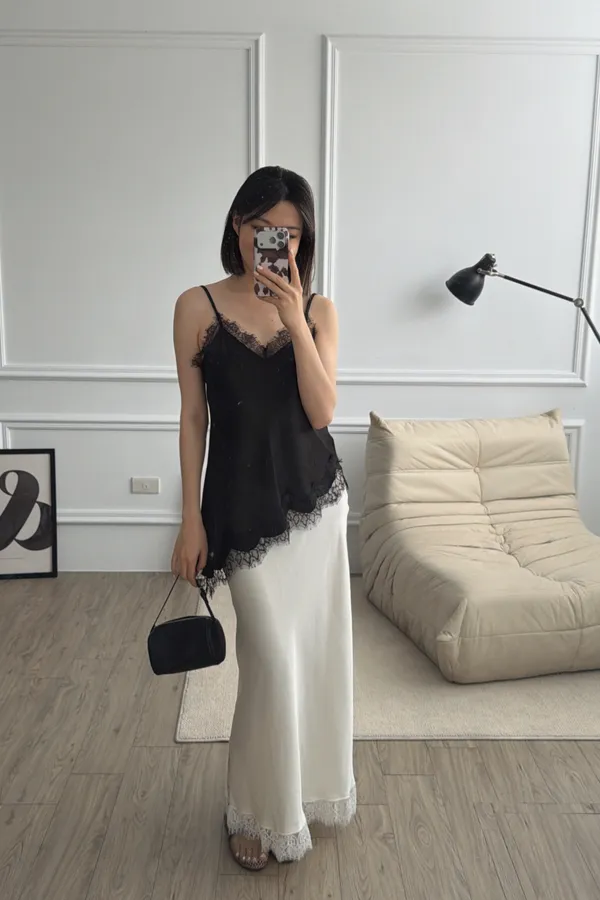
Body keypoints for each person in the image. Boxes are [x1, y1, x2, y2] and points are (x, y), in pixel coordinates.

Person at [171, 166, 355, 868]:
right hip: (241, 510)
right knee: (270, 663)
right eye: (260, 228)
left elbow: (322, 410)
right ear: (237, 226)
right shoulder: (195, 306)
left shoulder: (320, 310)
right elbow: (193, 419)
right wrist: (190, 519)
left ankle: (300, 796)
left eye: (289, 233)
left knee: (315, 661)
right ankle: (253, 809)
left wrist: (295, 319)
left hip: (316, 505)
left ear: (303, 240)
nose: (273, 242)